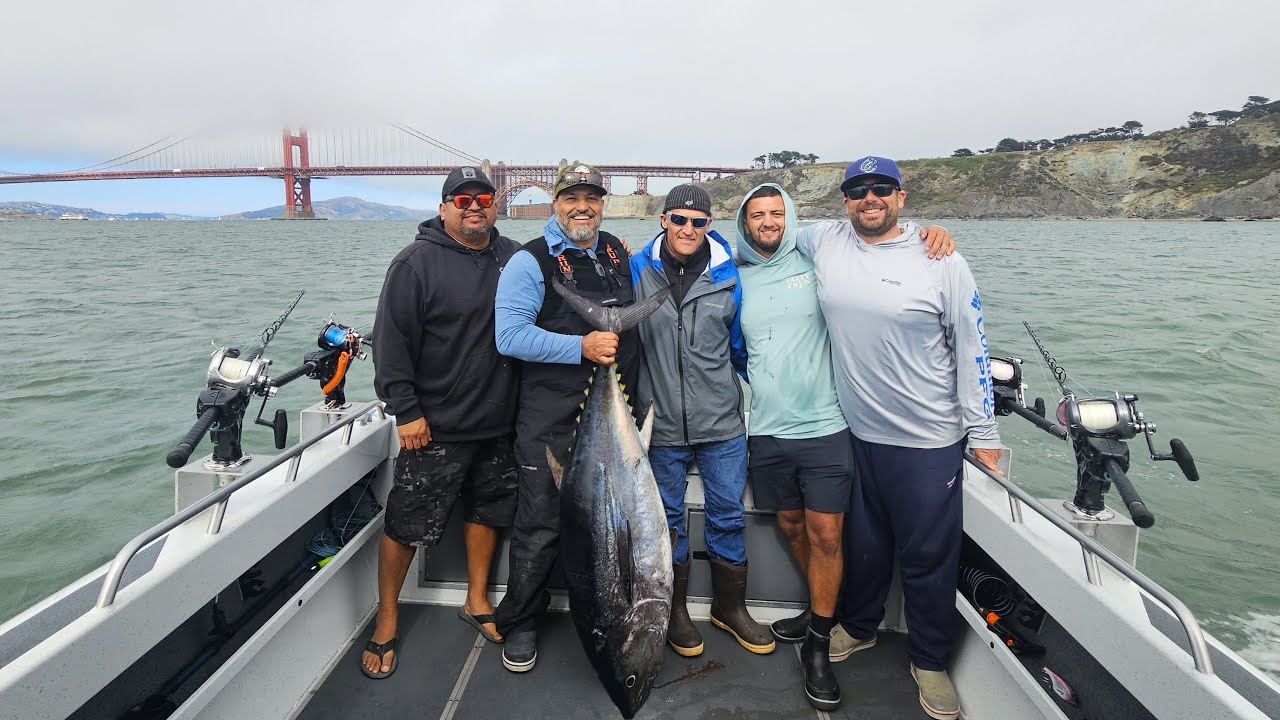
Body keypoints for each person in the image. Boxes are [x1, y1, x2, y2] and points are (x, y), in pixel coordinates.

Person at [734, 182, 954, 710]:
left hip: (827, 425)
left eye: (776, 213)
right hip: (766, 427)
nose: (768, 223)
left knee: (827, 534)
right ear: (743, 224)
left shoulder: (816, 260)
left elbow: (872, 244)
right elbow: (678, 252)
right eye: (757, 216)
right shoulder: (732, 275)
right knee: (789, 524)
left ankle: (817, 641)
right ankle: (820, 611)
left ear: (790, 216)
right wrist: (633, 251)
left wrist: (930, 236)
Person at [799, 156, 1002, 720]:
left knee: (928, 556)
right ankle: (860, 627)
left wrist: (983, 433)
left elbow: (972, 347)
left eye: (880, 189)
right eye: (858, 190)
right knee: (864, 546)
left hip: (928, 439)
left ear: (901, 197)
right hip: (855, 431)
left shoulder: (942, 259)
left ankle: (930, 660)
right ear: (844, 201)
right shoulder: (822, 240)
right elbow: (754, 233)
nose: (869, 198)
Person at [364, 166, 521, 678]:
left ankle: (477, 600)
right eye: (462, 197)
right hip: (434, 427)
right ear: (444, 207)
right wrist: (405, 411)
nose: (474, 205)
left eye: (483, 197)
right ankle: (387, 619)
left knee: (488, 512)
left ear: (495, 204)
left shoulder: (515, 257)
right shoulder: (414, 264)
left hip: (501, 422)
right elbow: (390, 345)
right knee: (406, 523)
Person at [491, 163, 641, 672]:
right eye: (572, 197)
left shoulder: (616, 250)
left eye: (592, 198)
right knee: (540, 522)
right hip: (550, 418)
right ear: (555, 202)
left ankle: (607, 611)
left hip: (612, 416)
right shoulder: (529, 261)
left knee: (612, 523)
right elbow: (508, 337)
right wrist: (582, 345)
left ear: (603, 203)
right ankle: (521, 621)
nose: (583, 206)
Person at [630, 184, 776, 659]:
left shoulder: (730, 273)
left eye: (699, 222)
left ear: (709, 226)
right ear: (663, 220)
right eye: (679, 219)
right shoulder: (636, 268)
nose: (688, 229)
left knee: (729, 517)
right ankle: (673, 611)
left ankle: (729, 608)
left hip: (723, 425)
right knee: (665, 522)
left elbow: (740, 348)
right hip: (662, 426)